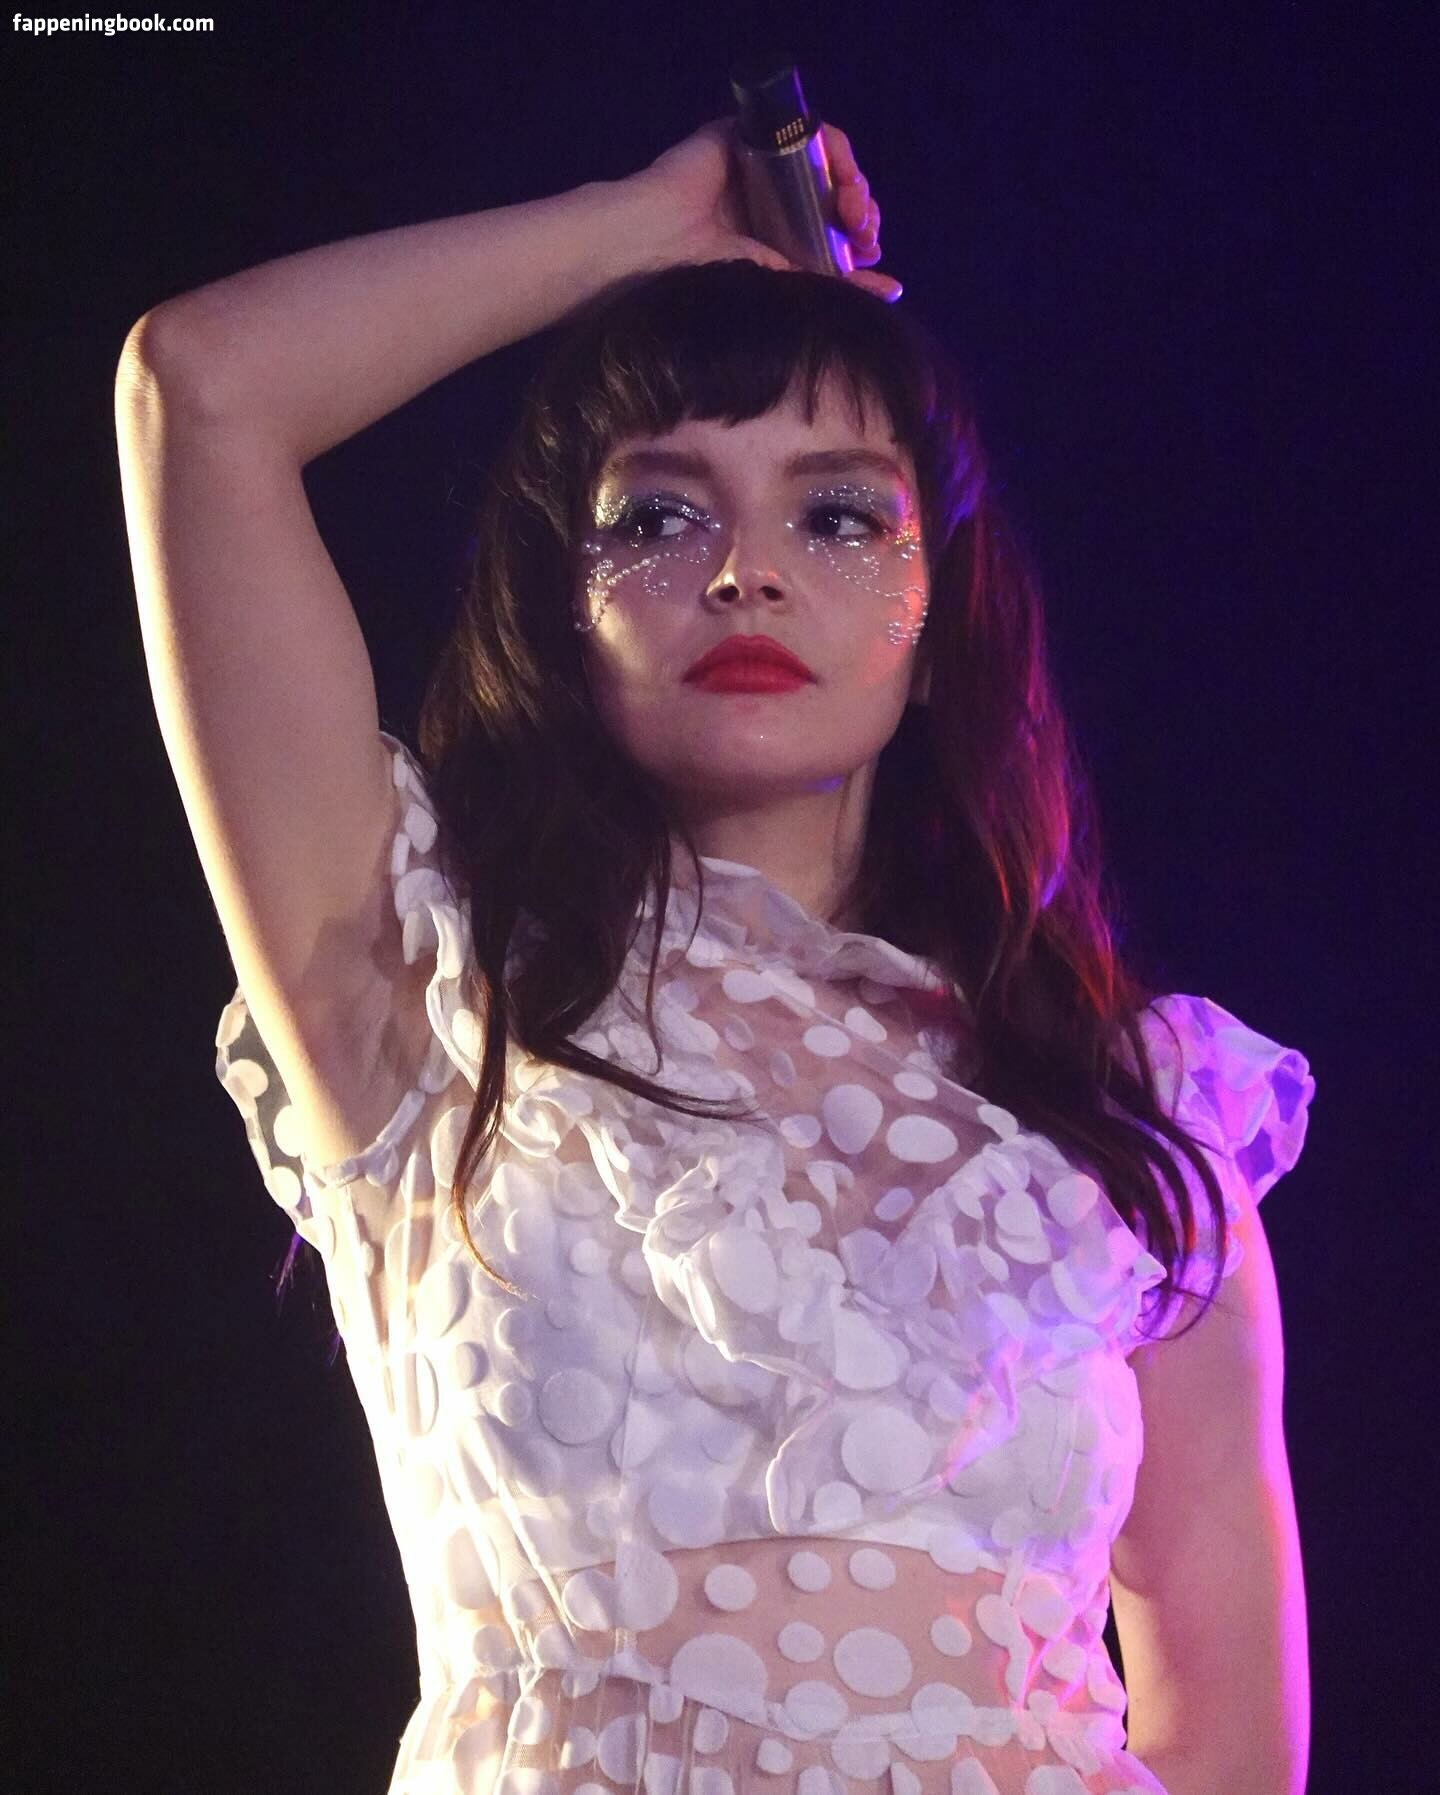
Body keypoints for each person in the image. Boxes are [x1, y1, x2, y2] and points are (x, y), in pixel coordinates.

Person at [116, 114, 1313, 1795]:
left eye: (840, 520)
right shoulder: (421, 989)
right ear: (564, 603)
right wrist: (634, 227)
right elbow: (201, 390)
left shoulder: (1137, 1117)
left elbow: (1233, 1745)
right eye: (661, 517)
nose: (746, 571)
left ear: (939, 616)